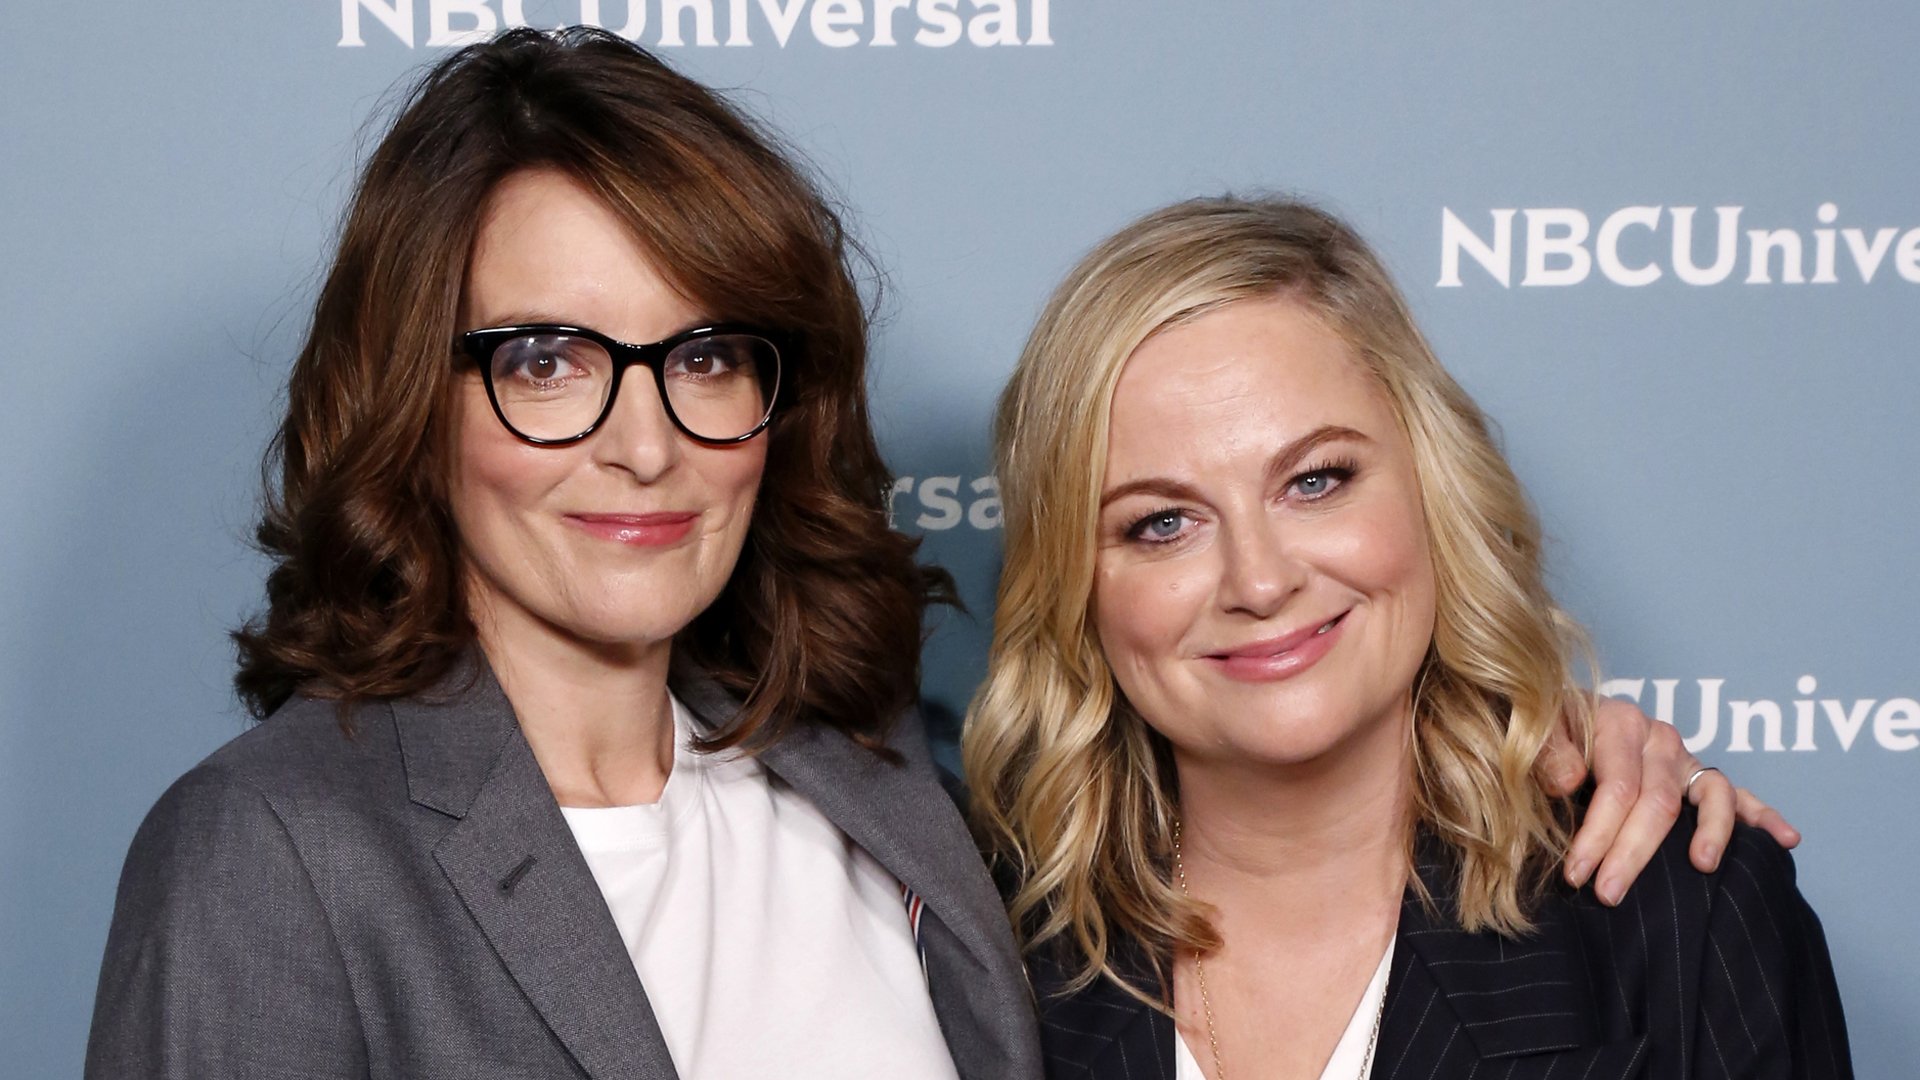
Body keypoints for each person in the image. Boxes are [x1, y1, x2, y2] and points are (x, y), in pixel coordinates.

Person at [87, 28, 1788, 1080]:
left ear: (774, 395)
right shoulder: (269, 856)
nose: (640, 437)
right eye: (544, 359)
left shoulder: (897, 803)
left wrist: (1545, 741)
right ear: (415, 395)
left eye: (704, 356)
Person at [965, 197, 1850, 1080]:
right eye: (1162, 524)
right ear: (1075, 585)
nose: (1261, 581)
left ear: (1435, 489)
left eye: (1315, 481)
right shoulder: (970, 953)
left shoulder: (1682, 916)